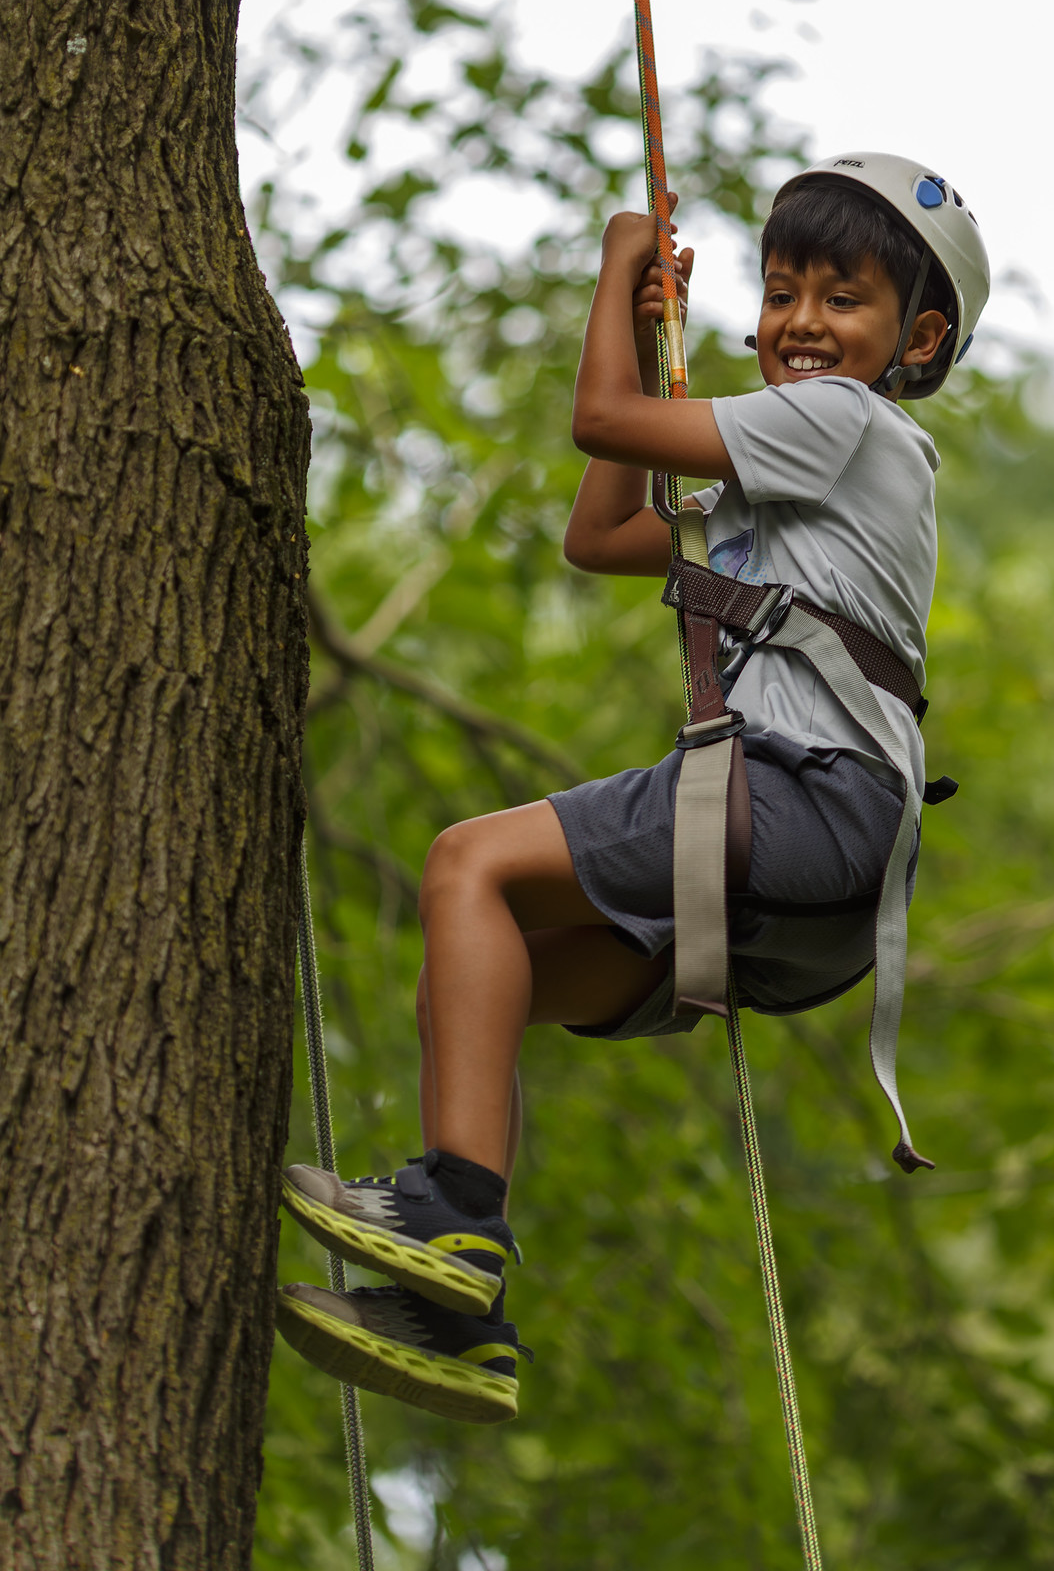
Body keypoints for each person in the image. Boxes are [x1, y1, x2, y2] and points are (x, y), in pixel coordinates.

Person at [275, 153, 990, 1423]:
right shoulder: (778, 484)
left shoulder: (846, 424)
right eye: (781, 292)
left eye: (844, 298)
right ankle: (455, 1313)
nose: (802, 322)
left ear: (916, 340)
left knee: (465, 862)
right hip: (812, 882)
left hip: (799, 795)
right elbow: (600, 532)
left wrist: (616, 279)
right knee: (478, 972)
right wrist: (650, 331)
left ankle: (455, 1214)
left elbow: (604, 421)